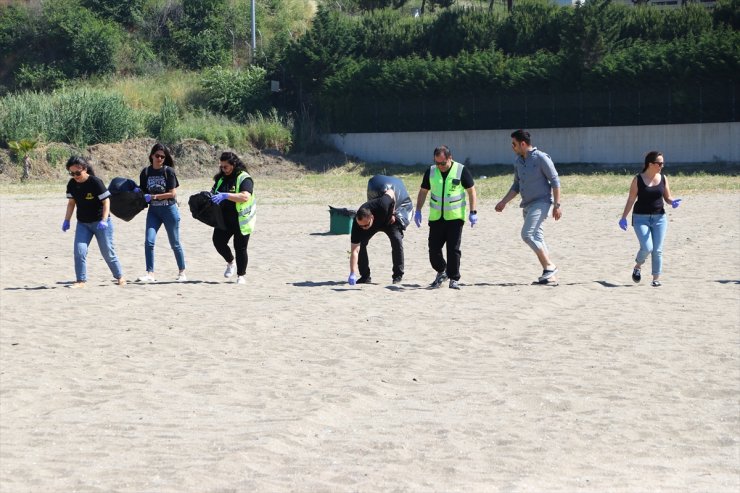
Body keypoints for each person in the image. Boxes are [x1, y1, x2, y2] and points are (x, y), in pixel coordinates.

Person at [495, 129, 562, 285]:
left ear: (523, 144)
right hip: (527, 205)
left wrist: (557, 205)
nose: (512, 147)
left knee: (527, 234)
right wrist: (504, 202)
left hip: (542, 203)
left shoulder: (541, 158)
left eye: (514, 144)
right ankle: (550, 276)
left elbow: (555, 181)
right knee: (537, 238)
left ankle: (549, 266)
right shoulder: (519, 161)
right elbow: (516, 186)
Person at [414, 145, 478, 289]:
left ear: (450, 158)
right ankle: (442, 271)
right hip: (436, 218)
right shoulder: (431, 171)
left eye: (443, 163)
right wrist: (418, 210)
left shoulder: (461, 170)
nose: (440, 166)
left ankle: (454, 279)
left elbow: (471, 191)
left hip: (455, 218)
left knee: (453, 249)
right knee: (433, 250)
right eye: (437, 163)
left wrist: (473, 212)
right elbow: (423, 191)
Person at [618, 151, 681, 287]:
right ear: (650, 164)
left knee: (657, 250)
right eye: (659, 163)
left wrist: (672, 202)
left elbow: (667, 197)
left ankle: (655, 279)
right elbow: (631, 199)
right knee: (647, 247)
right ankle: (638, 266)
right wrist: (623, 217)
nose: (662, 166)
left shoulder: (663, 178)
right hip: (641, 218)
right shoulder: (638, 179)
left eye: (663, 163)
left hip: (660, 218)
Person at [61, 156, 125, 288]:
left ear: (85, 169)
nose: (75, 176)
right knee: (79, 251)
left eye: (77, 173)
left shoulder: (95, 182)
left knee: (107, 252)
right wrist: (67, 220)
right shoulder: (72, 184)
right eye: (72, 173)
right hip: (83, 224)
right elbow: (71, 203)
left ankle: (120, 276)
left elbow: (106, 201)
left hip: (100, 223)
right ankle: (81, 280)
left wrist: (104, 219)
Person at [135, 143, 186, 282]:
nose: (160, 159)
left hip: (169, 210)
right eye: (157, 156)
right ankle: (150, 273)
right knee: (149, 241)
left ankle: (182, 272)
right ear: (151, 156)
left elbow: (172, 194)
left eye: (163, 157)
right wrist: (136, 192)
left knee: (174, 242)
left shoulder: (168, 171)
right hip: (154, 212)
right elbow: (143, 191)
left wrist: (154, 197)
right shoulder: (145, 172)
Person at [210, 151, 256, 285]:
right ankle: (230, 262)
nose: (223, 169)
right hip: (224, 218)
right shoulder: (221, 178)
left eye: (226, 167)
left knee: (240, 247)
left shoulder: (244, 178)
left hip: (241, 219)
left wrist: (226, 195)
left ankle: (241, 275)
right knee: (217, 241)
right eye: (221, 167)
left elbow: (245, 196)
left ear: (233, 165)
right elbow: (213, 193)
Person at [347, 188, 403, 285]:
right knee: (361, 244)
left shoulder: (382, 204)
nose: (363, 228)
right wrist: (352, 273)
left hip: (387, 220)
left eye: (365, 225)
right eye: (361, 225)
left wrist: (393, 212)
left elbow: (391, 192)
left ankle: (397, 276)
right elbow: (354, 251)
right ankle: (365, 277)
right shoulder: (357, 226)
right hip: (373, 226)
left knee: (397, 240)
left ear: (371, 217)